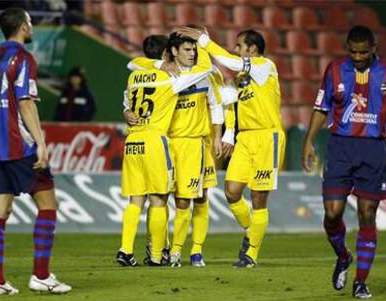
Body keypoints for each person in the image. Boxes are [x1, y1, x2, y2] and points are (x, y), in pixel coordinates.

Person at [302, 25, 386, 299]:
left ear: (374, 49)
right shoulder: (334, 70)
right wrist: (309, 141)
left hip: (373, 150)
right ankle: (343, 255)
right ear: (347, 49)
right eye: (353, 52)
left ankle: (360, 281)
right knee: (333, 213)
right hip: (340, 148)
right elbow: (321, 108)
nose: (357, 57)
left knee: (367, 213)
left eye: (363, 52)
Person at [177, 27, 286, 267]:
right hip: (245, 139)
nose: (235, 50)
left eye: (239, 46)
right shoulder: (240, 77)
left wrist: (204, 41)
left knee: (258, 197)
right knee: (232, 191)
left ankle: (251, 254)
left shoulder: (264, 66)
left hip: (268, 137)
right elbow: (230, 103)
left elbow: (228, 61)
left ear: (252, 49)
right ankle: (251, 231)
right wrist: (229, 134)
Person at [0, 7, 71, 296]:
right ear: (23, 27)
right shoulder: (23, 58)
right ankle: (41, 275)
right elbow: (25, 101)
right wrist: (40, 141)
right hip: (18, 143)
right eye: (30, 22)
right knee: (48, 203)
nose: (32, 25)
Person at [115, 33, 213, 266]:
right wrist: (203, 42)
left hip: (132, 142)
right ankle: (157, 255)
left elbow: (128, 102)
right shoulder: (171, 78)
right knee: (159, 199)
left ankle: (125, 250)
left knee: (135, 200)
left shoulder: (135, 76)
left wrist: (126, 113)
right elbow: (206, 67)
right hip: (155, 140)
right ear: (167, 53)